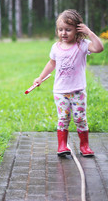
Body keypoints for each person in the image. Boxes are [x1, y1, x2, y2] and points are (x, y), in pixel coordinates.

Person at [33, 9, 104, 157]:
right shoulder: (55, 47)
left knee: (80, 118)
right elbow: (51, 63)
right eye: (60, 30)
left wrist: (89, 32)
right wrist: (40, 78)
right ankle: (62, 146)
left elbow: (99, 48)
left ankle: (84, 146)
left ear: (77, 30)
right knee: (63, 118)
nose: (63, 33)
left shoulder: (83, 45)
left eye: (68, 30)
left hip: (77, 90)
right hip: (60, 92)